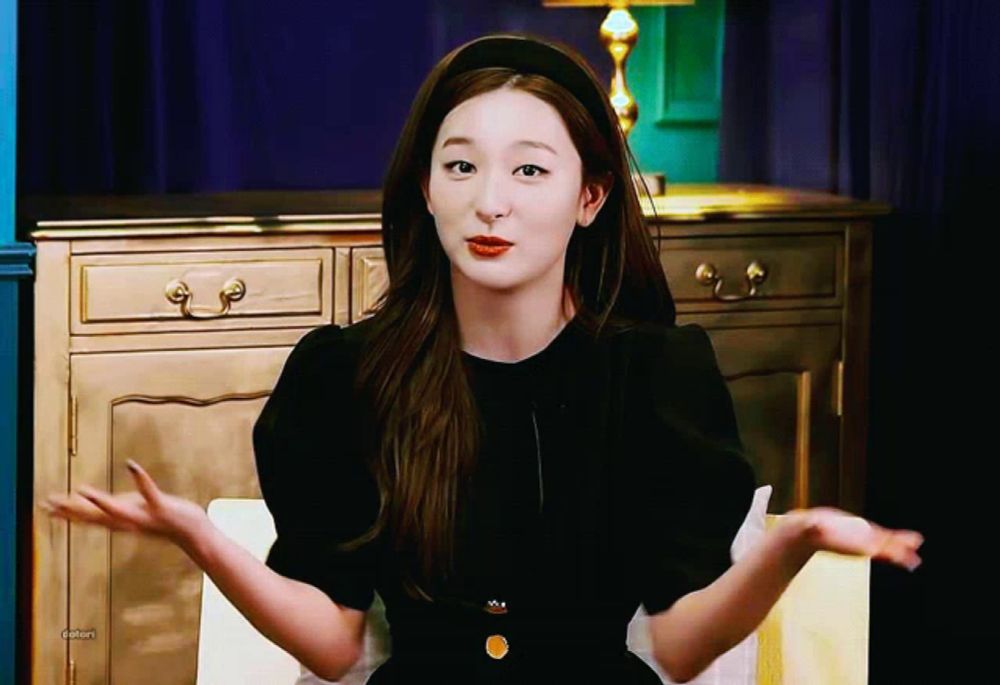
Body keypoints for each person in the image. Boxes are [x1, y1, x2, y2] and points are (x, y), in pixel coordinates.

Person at [41, 32, 924, 685]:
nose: (490, 202)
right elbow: (334, 641)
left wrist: (794, 542)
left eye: (530, 172)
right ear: (426, 190)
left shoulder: (654, 376)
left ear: (591, 196)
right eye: (460, 167)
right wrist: (197, 537)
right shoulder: (350, 376)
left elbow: (683, 647)